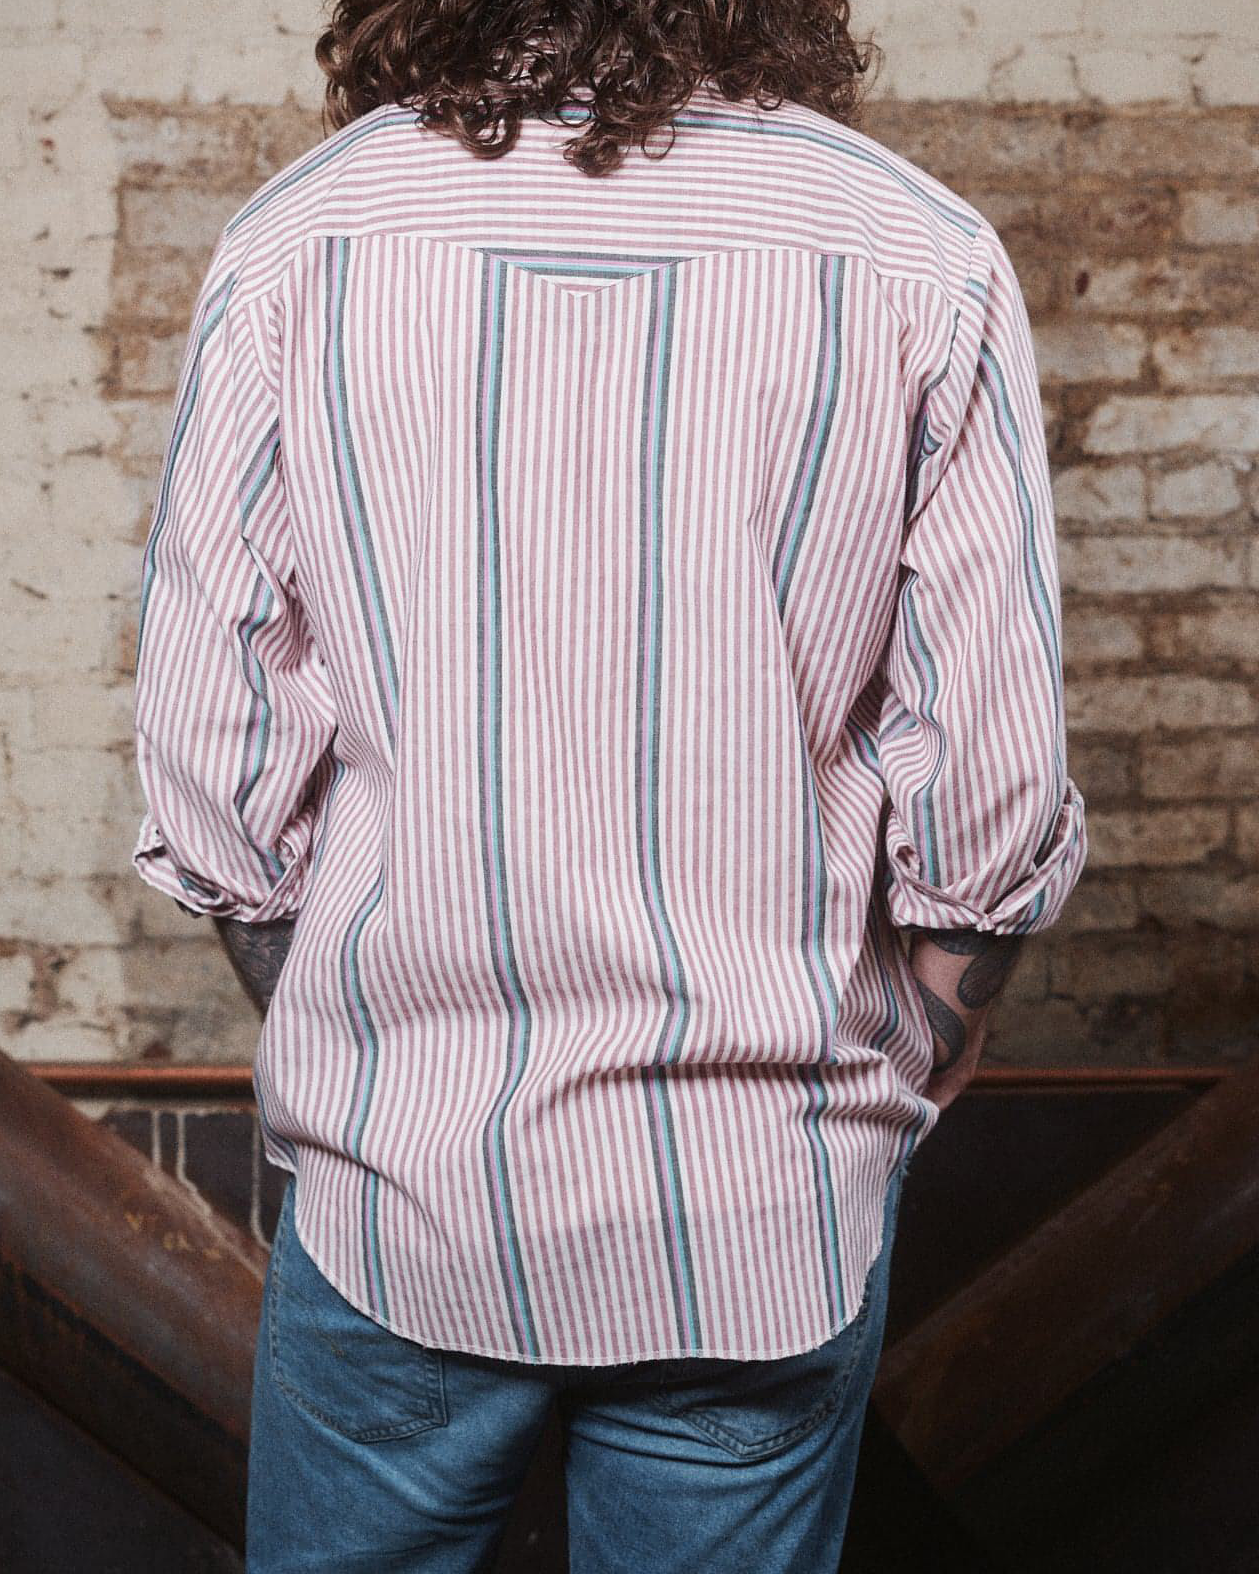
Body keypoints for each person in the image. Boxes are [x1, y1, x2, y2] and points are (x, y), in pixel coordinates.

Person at [129, 3, 1087, 1569]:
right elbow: (989, 774)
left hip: (401, 1187)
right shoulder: (918, 251)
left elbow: (216, 759)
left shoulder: (299, 237)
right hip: (763, 1192)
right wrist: (919, 1033)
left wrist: (363, 1038)